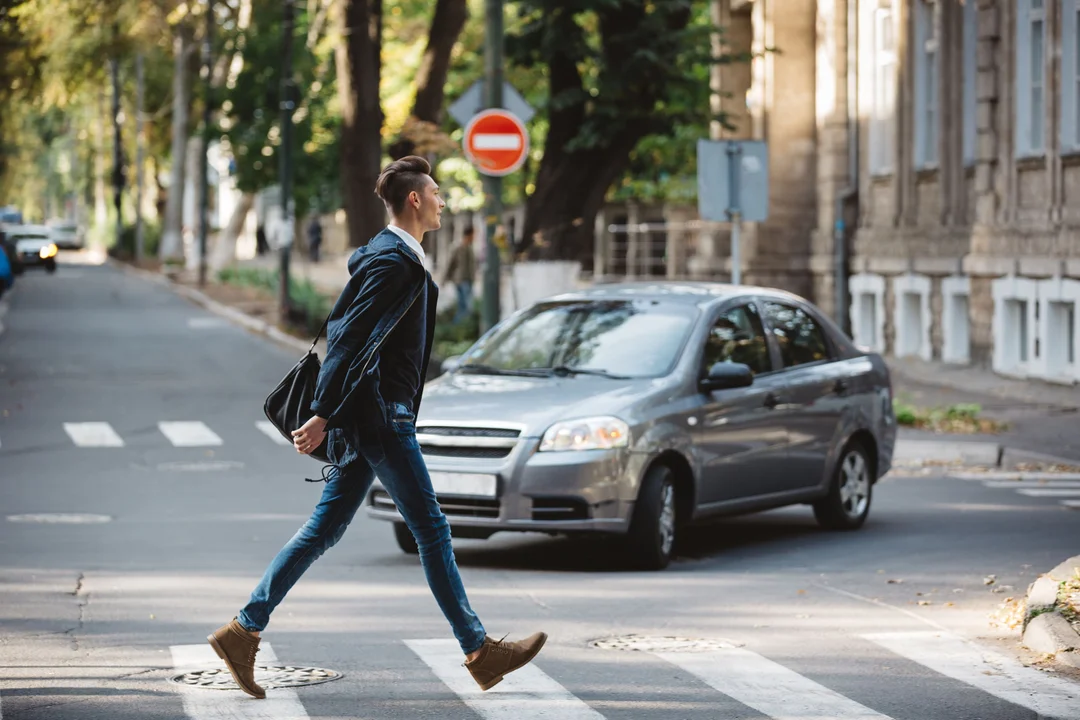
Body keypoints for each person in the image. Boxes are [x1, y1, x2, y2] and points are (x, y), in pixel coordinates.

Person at [207, 156, 547, 700]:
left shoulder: (397, 256)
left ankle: (243, 631)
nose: (441, 200)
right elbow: (348, 339)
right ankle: (480, 651)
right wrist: (321, 413)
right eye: (435, 192)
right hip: (381, 417)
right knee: (432, 530)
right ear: (415, 200)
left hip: (373, 416)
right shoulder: (392, 261)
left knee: (324, 529)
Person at [444, 226, 476, 324]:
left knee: (465, 305)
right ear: (469, 235)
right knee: (465, 306)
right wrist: (445, 278)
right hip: (460, 280)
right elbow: (450, 263)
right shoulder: (457, 247)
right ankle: (457, 325)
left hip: (469, 279)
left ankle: (461, 326)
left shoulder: (470, 248)